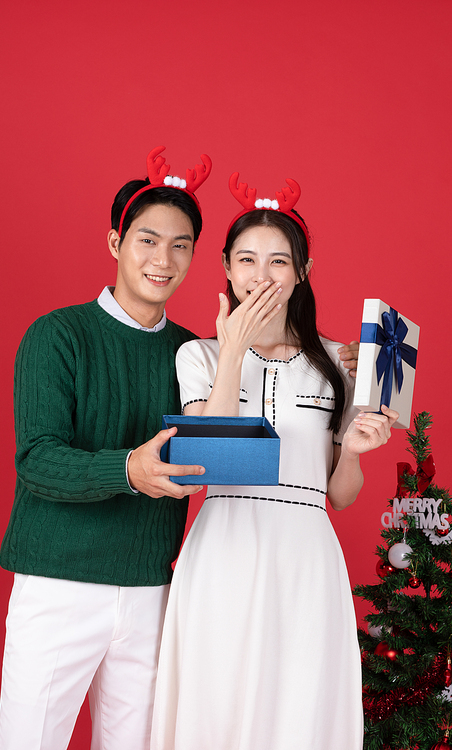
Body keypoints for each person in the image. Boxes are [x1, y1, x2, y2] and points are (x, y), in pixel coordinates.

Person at [150, 173, 398, 750]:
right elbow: (208, 460)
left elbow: (340, 495)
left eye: (279, 261)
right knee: (218, 700)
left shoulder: (338, 363)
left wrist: (354, 453)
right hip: (225, 546)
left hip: (304, 554)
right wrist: (234, 350)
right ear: (227, 269)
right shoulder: (199, 354)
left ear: (302, 271)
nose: (262, 276)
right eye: (247, 260)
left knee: (299, 709)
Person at [0, 146, 212, 750]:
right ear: (115, 243)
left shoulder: (196, 355)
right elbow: (37, 458)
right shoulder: (57, 335)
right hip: (59, 581)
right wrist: (128, 469)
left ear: (196, 255)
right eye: (147, 240)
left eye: (180, 245)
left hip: (150, 588)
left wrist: (331, 353)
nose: (162, 260)